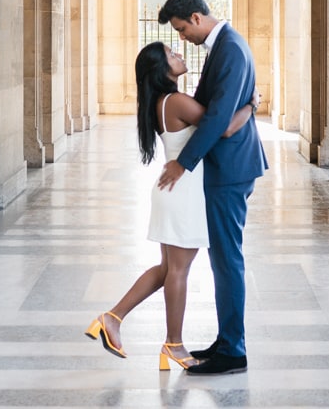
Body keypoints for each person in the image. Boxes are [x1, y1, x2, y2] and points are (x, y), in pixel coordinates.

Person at [84, 40, 257, 370]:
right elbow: (223, 128)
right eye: (171, 55)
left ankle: (112, 318)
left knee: (167, 269)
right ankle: (173, 345)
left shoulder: (163, 101)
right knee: (178, 271)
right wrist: (250, 105)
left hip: (176, 191)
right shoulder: (175, 101)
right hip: (183, 192)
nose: (179, 55)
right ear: (161, 70)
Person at [155, 0, 267, 375]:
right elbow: (216, 111)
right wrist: (250, 106)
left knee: (227, 260)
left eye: (183, 29)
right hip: (226, 169)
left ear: (197, 18)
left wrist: (182, 164)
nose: (182, 38)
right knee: (222, 260)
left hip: (230, 171)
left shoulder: (231, 49)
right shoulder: (222, 48)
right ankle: (226, 340)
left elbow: (217, 121)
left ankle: (233, 350)